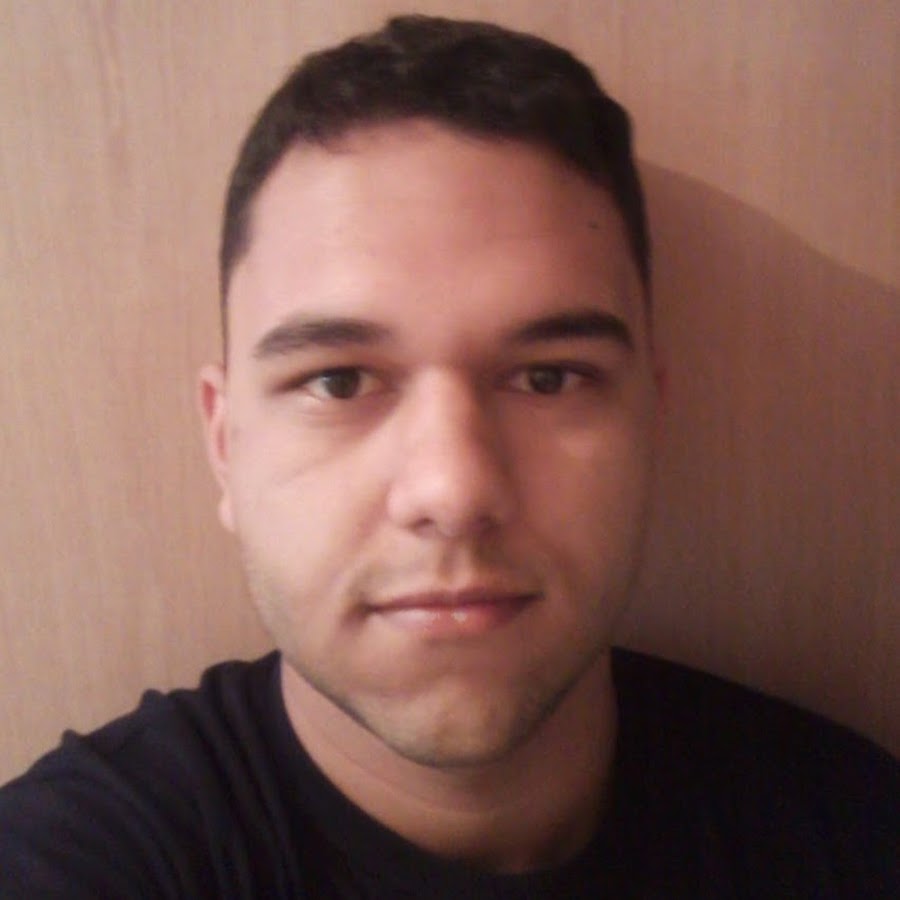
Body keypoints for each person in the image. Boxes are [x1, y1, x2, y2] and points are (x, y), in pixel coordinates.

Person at [0, 14, 896, 898]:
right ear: (224, 444)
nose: (455, 490)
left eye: (548, 378)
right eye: (340, 381)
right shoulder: (81, 858)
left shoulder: (851, 829)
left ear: (649, 423)